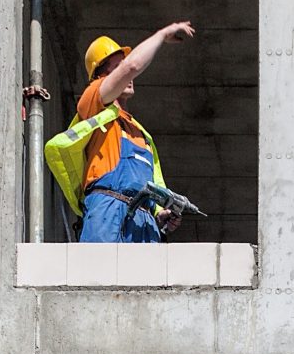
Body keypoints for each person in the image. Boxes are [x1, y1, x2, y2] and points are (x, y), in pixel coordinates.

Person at [58, 21, 194, 242]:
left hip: (143, 220)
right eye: (116, 68)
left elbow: (151, 184)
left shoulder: (141, 134)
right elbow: (132, 66)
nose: (128, 74)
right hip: (106, 213)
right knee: (100, 276)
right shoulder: (93, 103)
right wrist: (161, 35)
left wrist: (159, 216)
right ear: (101, 77)